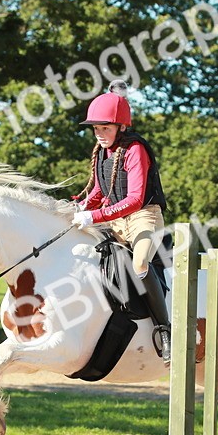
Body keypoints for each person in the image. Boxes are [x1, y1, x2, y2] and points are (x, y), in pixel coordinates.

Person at [72, 80, 171, 363]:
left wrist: (93, 215)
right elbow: (100, 191)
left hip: (142, 217)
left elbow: (135, 200)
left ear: (121, 127)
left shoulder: (135, 150)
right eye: (96, 129)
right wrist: (78, 207)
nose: (99, 134)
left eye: (105, 128)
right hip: (116, 219)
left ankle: (165, 330)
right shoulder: (103, 152)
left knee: (140, 264)